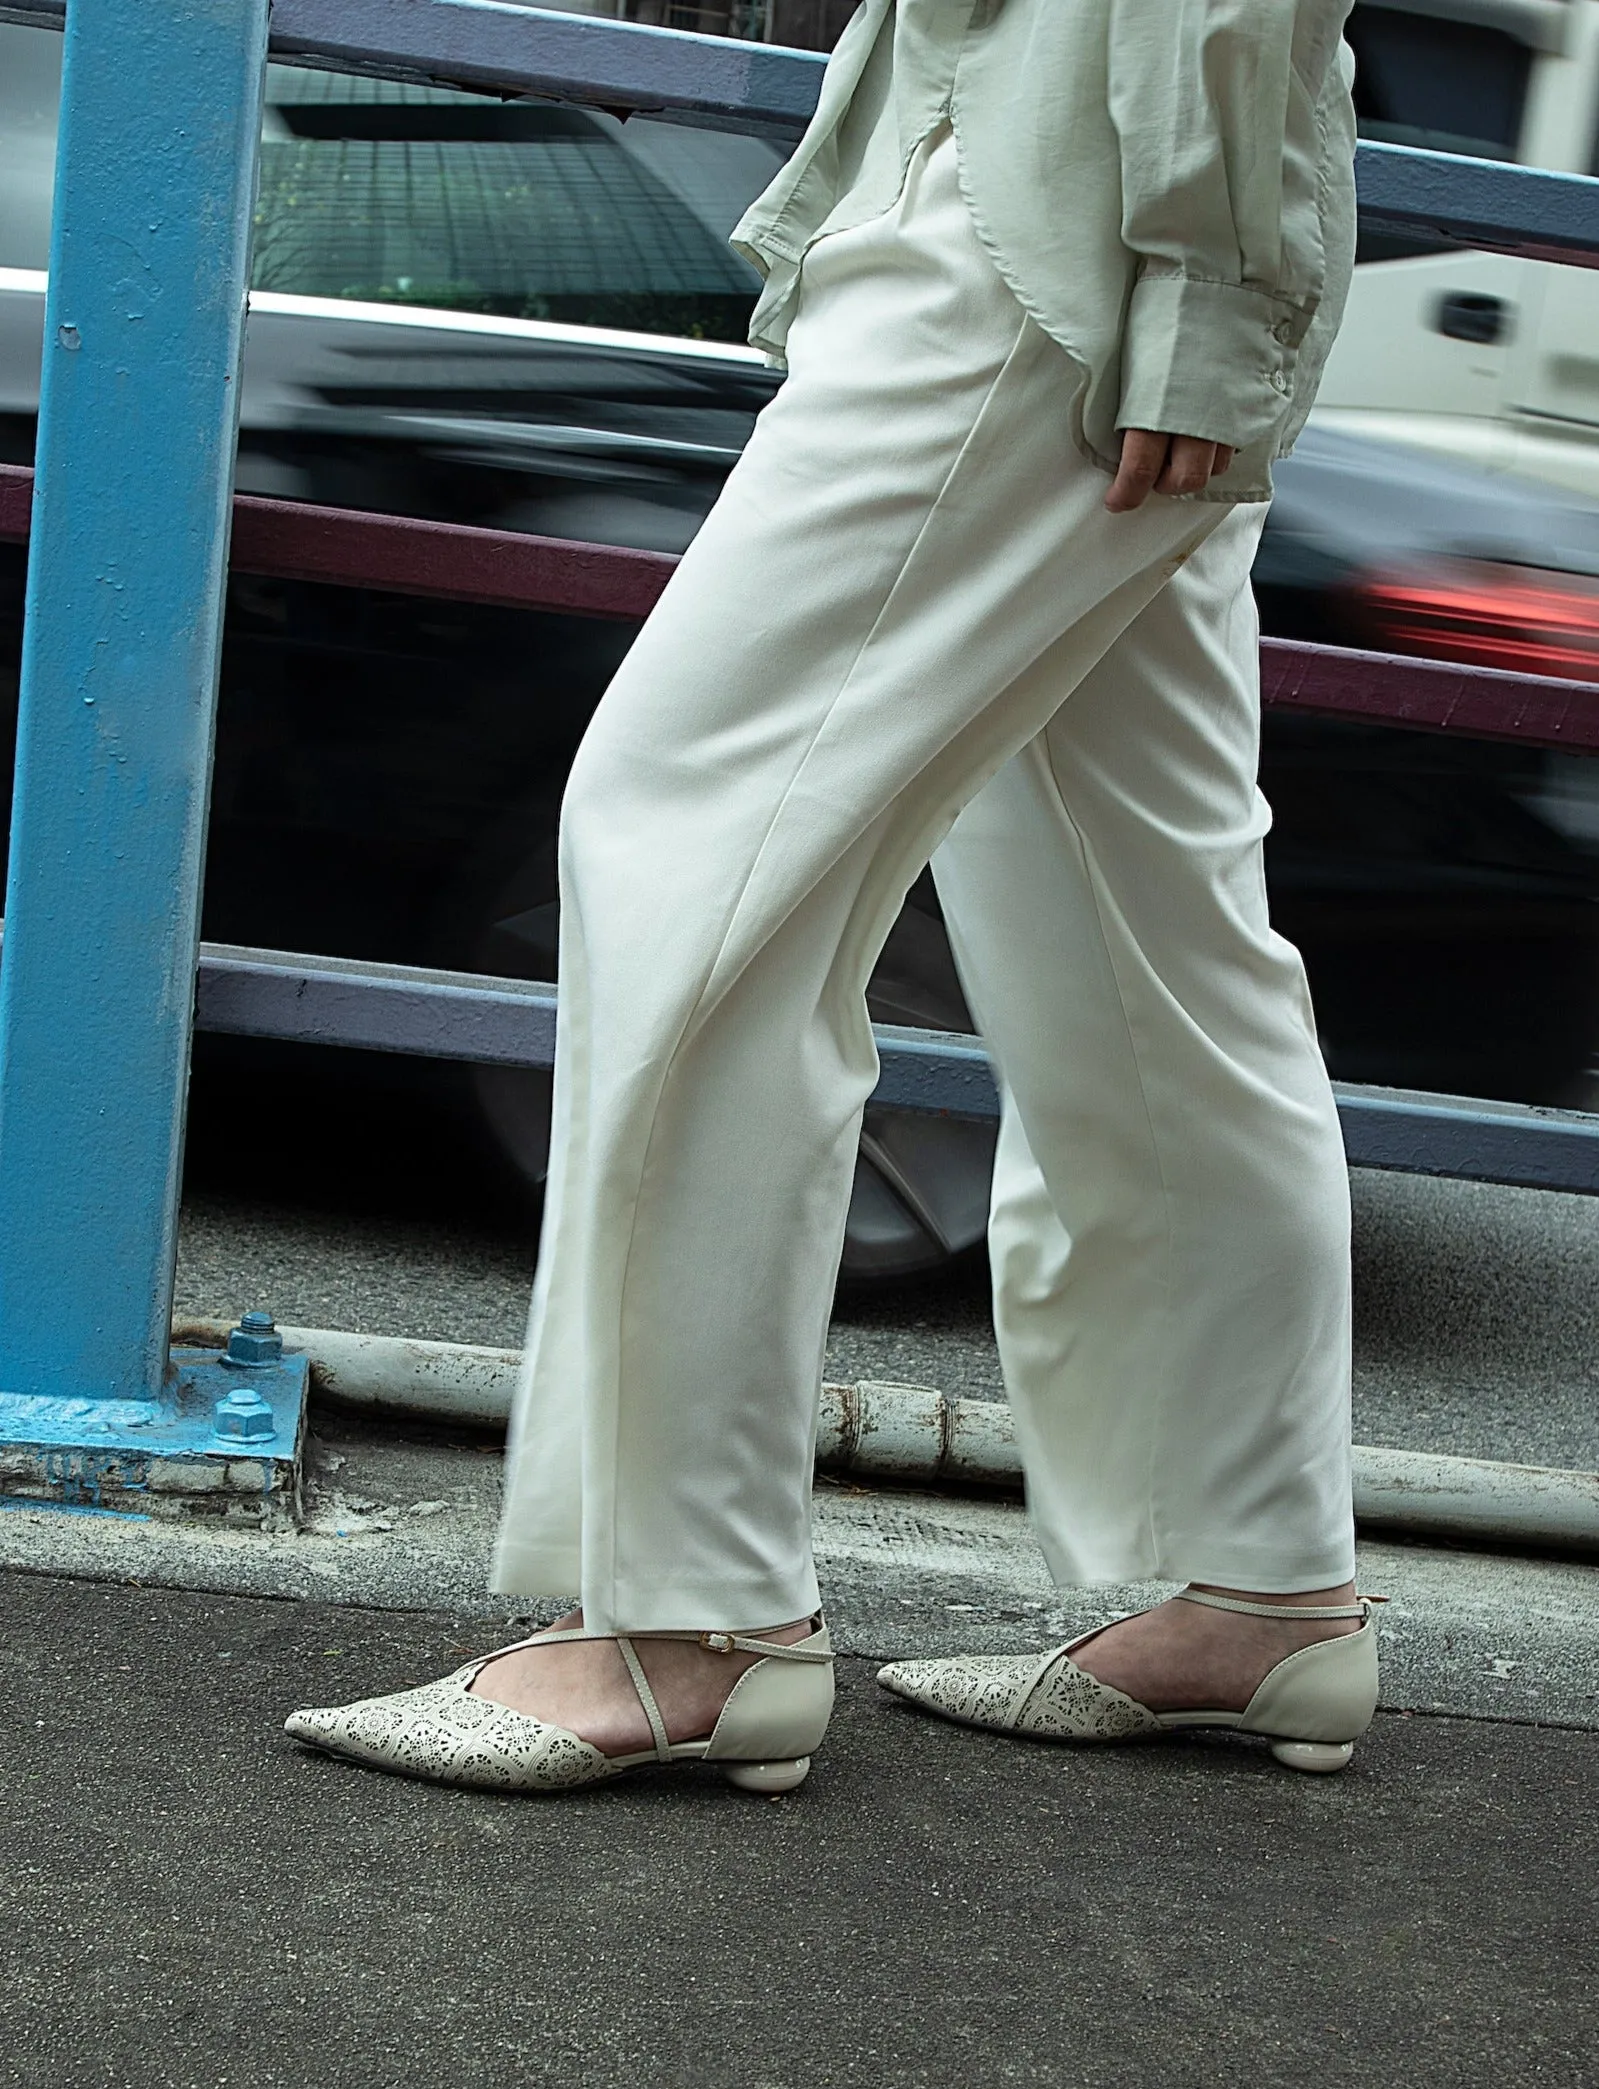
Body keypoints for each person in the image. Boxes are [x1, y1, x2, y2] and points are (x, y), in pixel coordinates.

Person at [287, 0, 1378, 1794]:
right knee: (1134, 921)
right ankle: (1255, 1584)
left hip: (1059, 218)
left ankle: (677, 1619)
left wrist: (1196, 287)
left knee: (687, 829)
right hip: (1076, 194)